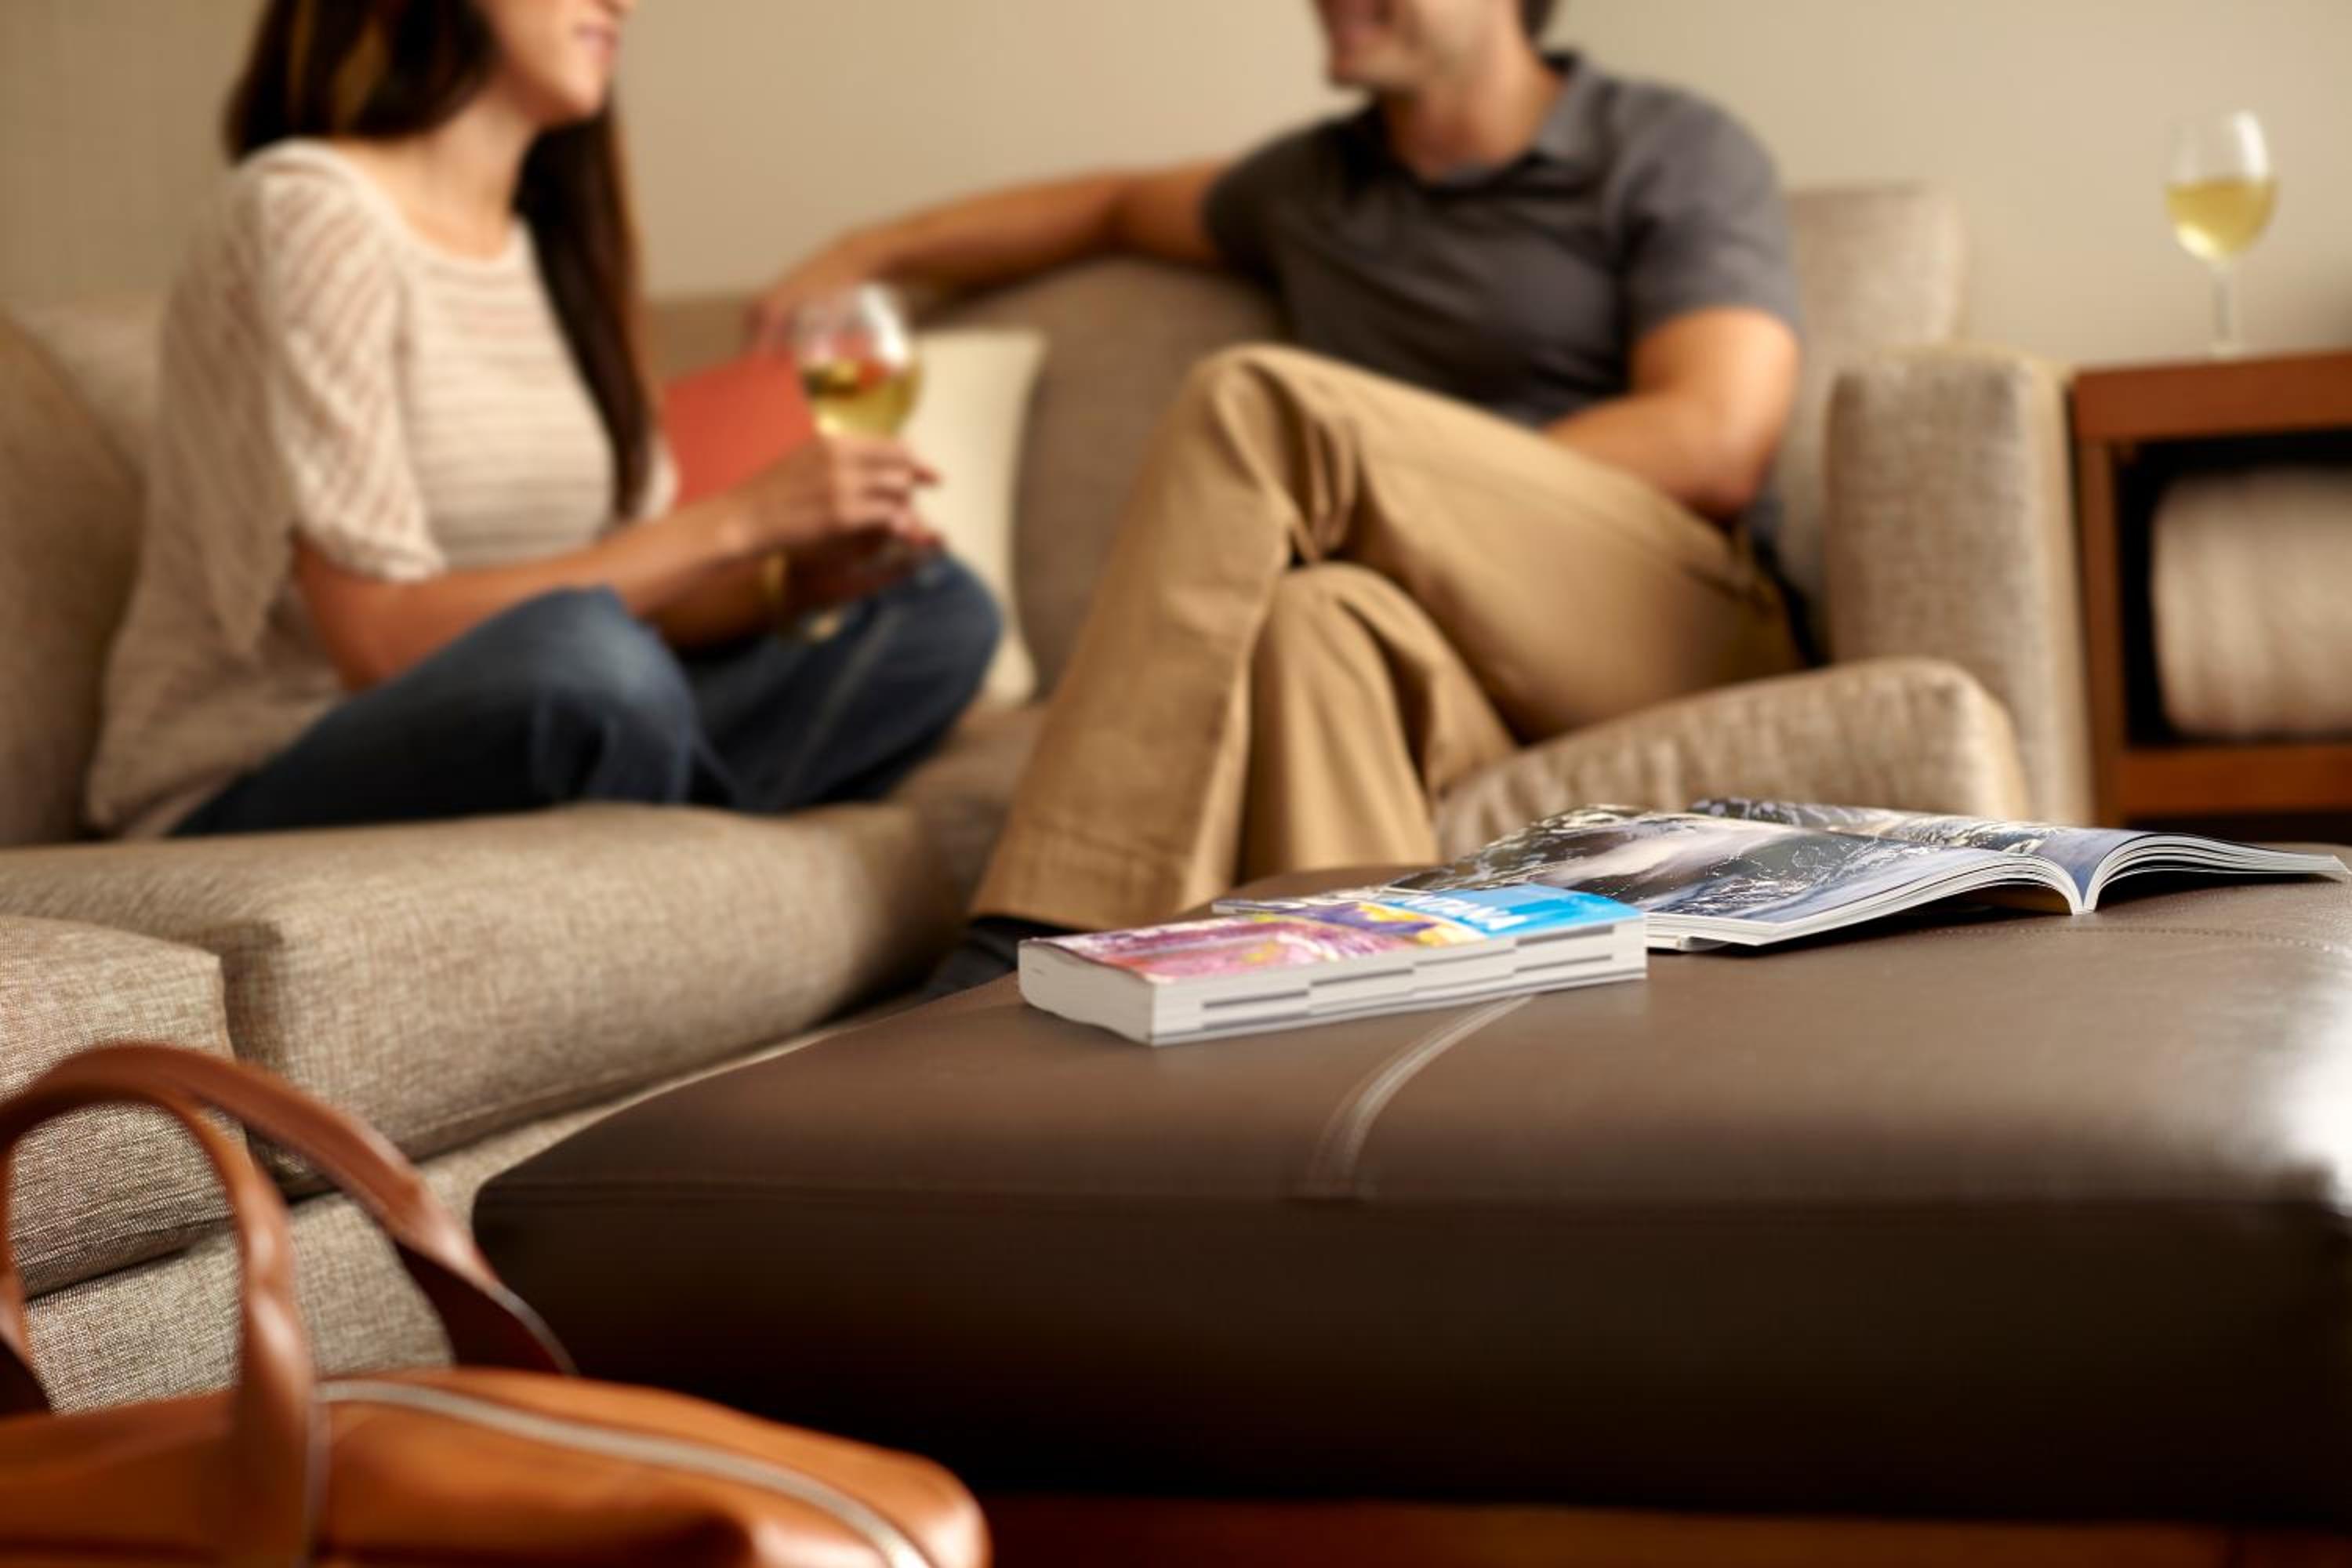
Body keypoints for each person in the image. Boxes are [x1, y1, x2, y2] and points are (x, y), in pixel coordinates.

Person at [754, 0, 1806, 991]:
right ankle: (1364, 1069)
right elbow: (1109, 205)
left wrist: (1395, 482)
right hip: (1442, 650)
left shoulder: (1667, 145)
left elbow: (1711, 435)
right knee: (1314, 624)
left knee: (1256, 400)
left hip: (1664, 616)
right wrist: (865, 252)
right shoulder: (1311, 187)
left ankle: (1031, 931)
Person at [86, 0, 998, 842]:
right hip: (268, 764)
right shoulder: (308, 211)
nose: (618, 3)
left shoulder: (563, 254)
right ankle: (697, 834)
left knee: (935, 607)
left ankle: (668, 821)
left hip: (546, 710)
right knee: (589, 660)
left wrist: (789, 585)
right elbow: (378, 641)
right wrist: (739, 520)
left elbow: (638, 595)